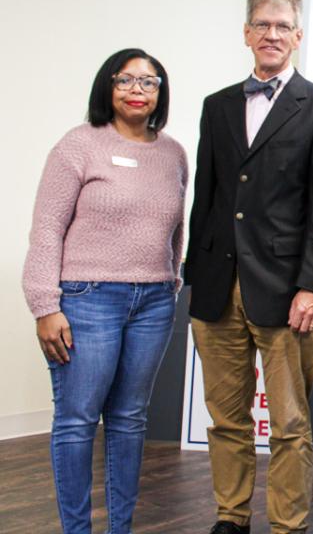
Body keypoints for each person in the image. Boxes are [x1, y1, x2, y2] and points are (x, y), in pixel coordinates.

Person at [184, 0, 313, 534]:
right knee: (225, 418)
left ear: (298, 36)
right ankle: (231, 517)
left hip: (286, 290)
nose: (271, 34)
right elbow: (205, 198)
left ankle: (287, 525)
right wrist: (195, 274)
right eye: (262, 25)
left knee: (290, 423)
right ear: (247, 34)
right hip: (217, 286)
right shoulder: (217, 105)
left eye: (282, 26)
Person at [22, 48, 188, 533]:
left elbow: (175, 229)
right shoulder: (79, 145)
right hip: (87, 297)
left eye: (149, 82)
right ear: (107, 87)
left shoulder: (173, 152)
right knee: (77, 420)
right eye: (126, 80)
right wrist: (44, 304)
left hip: (154, 301)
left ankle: (121, 527)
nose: (138, 90)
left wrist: (171, 280)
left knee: (130, 419)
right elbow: (47, 228)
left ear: (161, 91)